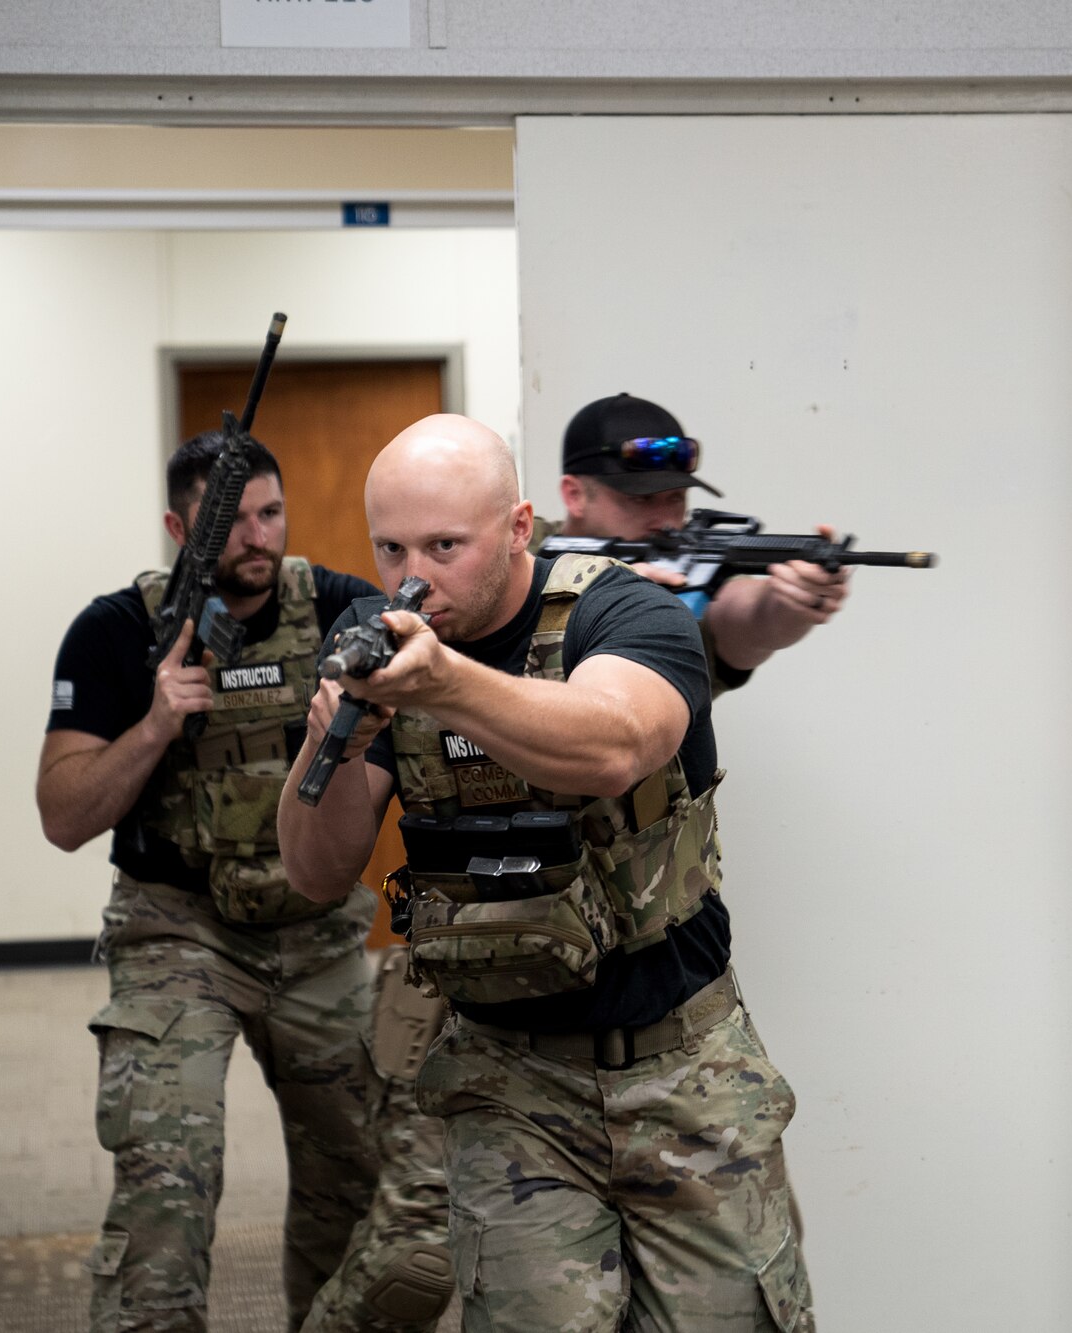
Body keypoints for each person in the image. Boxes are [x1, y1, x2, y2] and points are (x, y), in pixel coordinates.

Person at [278, 415, 814, 1332]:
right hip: (507, 1078)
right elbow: (316, 872)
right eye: (392, 547)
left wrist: (445, 685)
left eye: (446, 546)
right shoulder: (376, 641)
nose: (414, 576)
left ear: (519, 526)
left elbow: (615, 744)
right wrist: (333, 741)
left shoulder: (626, 613)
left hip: (681, 1066)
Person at [37, 430, 396, 1333]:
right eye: (231, 521)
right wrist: (155, 724)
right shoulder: (116, 632)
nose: (257, 536)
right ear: (178, 529)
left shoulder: (344, 610)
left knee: (361, 1180)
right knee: (167, 1175)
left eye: (271, 513)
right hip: (178, 933)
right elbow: (63, 815)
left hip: (316, 935)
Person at [539, 392, 850, 684]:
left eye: (676, 498)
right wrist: (601, 591)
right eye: (641, 499)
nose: (665, 520)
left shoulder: (692, 566)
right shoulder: (524, 545)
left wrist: (788, 602)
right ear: (574, 495)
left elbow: (744, 614)